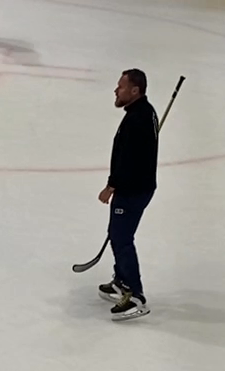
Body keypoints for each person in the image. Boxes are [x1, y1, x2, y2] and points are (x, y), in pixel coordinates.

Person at [97, 69, 158, 322]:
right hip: (136, 186)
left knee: (122, 238)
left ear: (135, 91)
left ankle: (135, 296)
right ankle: (122, 280)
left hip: (133, 189)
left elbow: (127, 159)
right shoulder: (143, 112)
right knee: (118, 234)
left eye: (121, 87)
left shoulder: (137, 119)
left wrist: (111, 186)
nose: (116, 90)